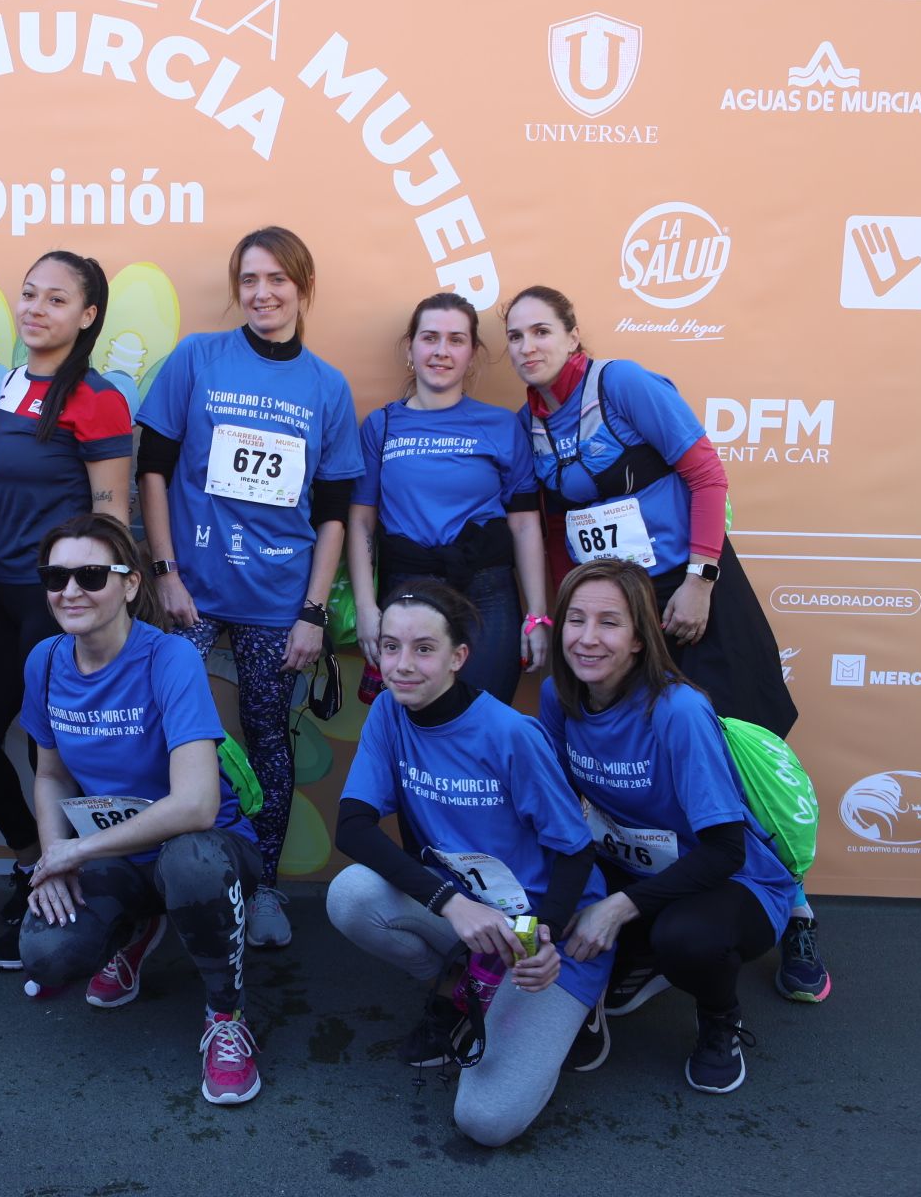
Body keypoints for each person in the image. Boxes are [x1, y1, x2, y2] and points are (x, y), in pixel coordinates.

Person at [504, 285, 828, 1004]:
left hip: (691, 596)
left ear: (570, 333)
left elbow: (705, 474)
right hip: (621, 613)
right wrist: (564, 615)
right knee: (646, 762)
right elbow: (564, 534)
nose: (527, 346)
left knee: (746, 752)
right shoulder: (529, 426)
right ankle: (662, 913)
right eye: (515, 336)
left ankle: (795, 908)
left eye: (540, 331)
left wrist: (702, 580)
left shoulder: (619, 384)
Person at [135, 226, 361, 949]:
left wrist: (314, 612)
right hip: (192, 590)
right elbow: (154, 471)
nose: (262, 294)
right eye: (250, 280)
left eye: (277, 281)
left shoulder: (327, 386)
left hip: (279, 598)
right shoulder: (198, 358)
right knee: (171, 733)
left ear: (303, 287)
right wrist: (165, 571)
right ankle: (164, 883)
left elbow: (332, 511)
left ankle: (262, 886)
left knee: (268, 735)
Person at [326, 578, 609, 1145]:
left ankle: (581, 1004)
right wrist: (450, 903)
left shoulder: (510, 733)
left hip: (545, 924)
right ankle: (459, 982)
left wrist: (540, 941)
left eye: (423, 649)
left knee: (485, 1122)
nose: (402, 665)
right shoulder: (388, 711)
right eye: (390, 646)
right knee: (350, 895)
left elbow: (577, 854)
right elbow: (353, 828)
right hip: (468, 911)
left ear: (458, 657)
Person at [17, 514, 265, 1106]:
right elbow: (50, 774)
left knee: (191, 863)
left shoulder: (170, 658)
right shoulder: (46, 661)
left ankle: (225, 1017)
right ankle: (142, 926)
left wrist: (78, 849)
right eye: (56, 576)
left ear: (130, 584)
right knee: (46, 956)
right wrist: (57, 857)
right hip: (120, 853)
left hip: (213, 848)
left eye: (91, 574)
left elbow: (198, 806)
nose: (70, 591)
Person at [542, 558, 797, 1093]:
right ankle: (619, 970)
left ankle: (719, 1015)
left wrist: (616, 908)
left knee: (686, 938)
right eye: (576, 620)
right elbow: (559, 808)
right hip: (633, 866)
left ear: (639, 638)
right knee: (540, 890)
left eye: (609, 623)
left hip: (729, 880)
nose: (587, 639)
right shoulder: (558, 697)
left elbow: (725, 851)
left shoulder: (678, 711)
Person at [0, 251, 133, 972]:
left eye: (56, 300)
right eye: (28, 294)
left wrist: (100, 597)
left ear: (87, 317)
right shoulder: (3, 388)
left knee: (52, 754)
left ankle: (80, 892)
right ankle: (35, 864)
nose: (35, 309)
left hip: (60, 602)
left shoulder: (97, 397)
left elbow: (112, 511)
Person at [347, 293, 549, 705]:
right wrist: (367, 609)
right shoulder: (381, 426)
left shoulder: (501, 426)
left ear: (472, 352)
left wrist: (537, 614)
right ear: (411, 347)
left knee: (484, 719)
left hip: (488, 595)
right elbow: (362, 523)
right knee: (415, 724)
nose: (441, 351)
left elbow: (525, 525)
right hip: (407, 594)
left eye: (456, 340)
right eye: (430, 338)